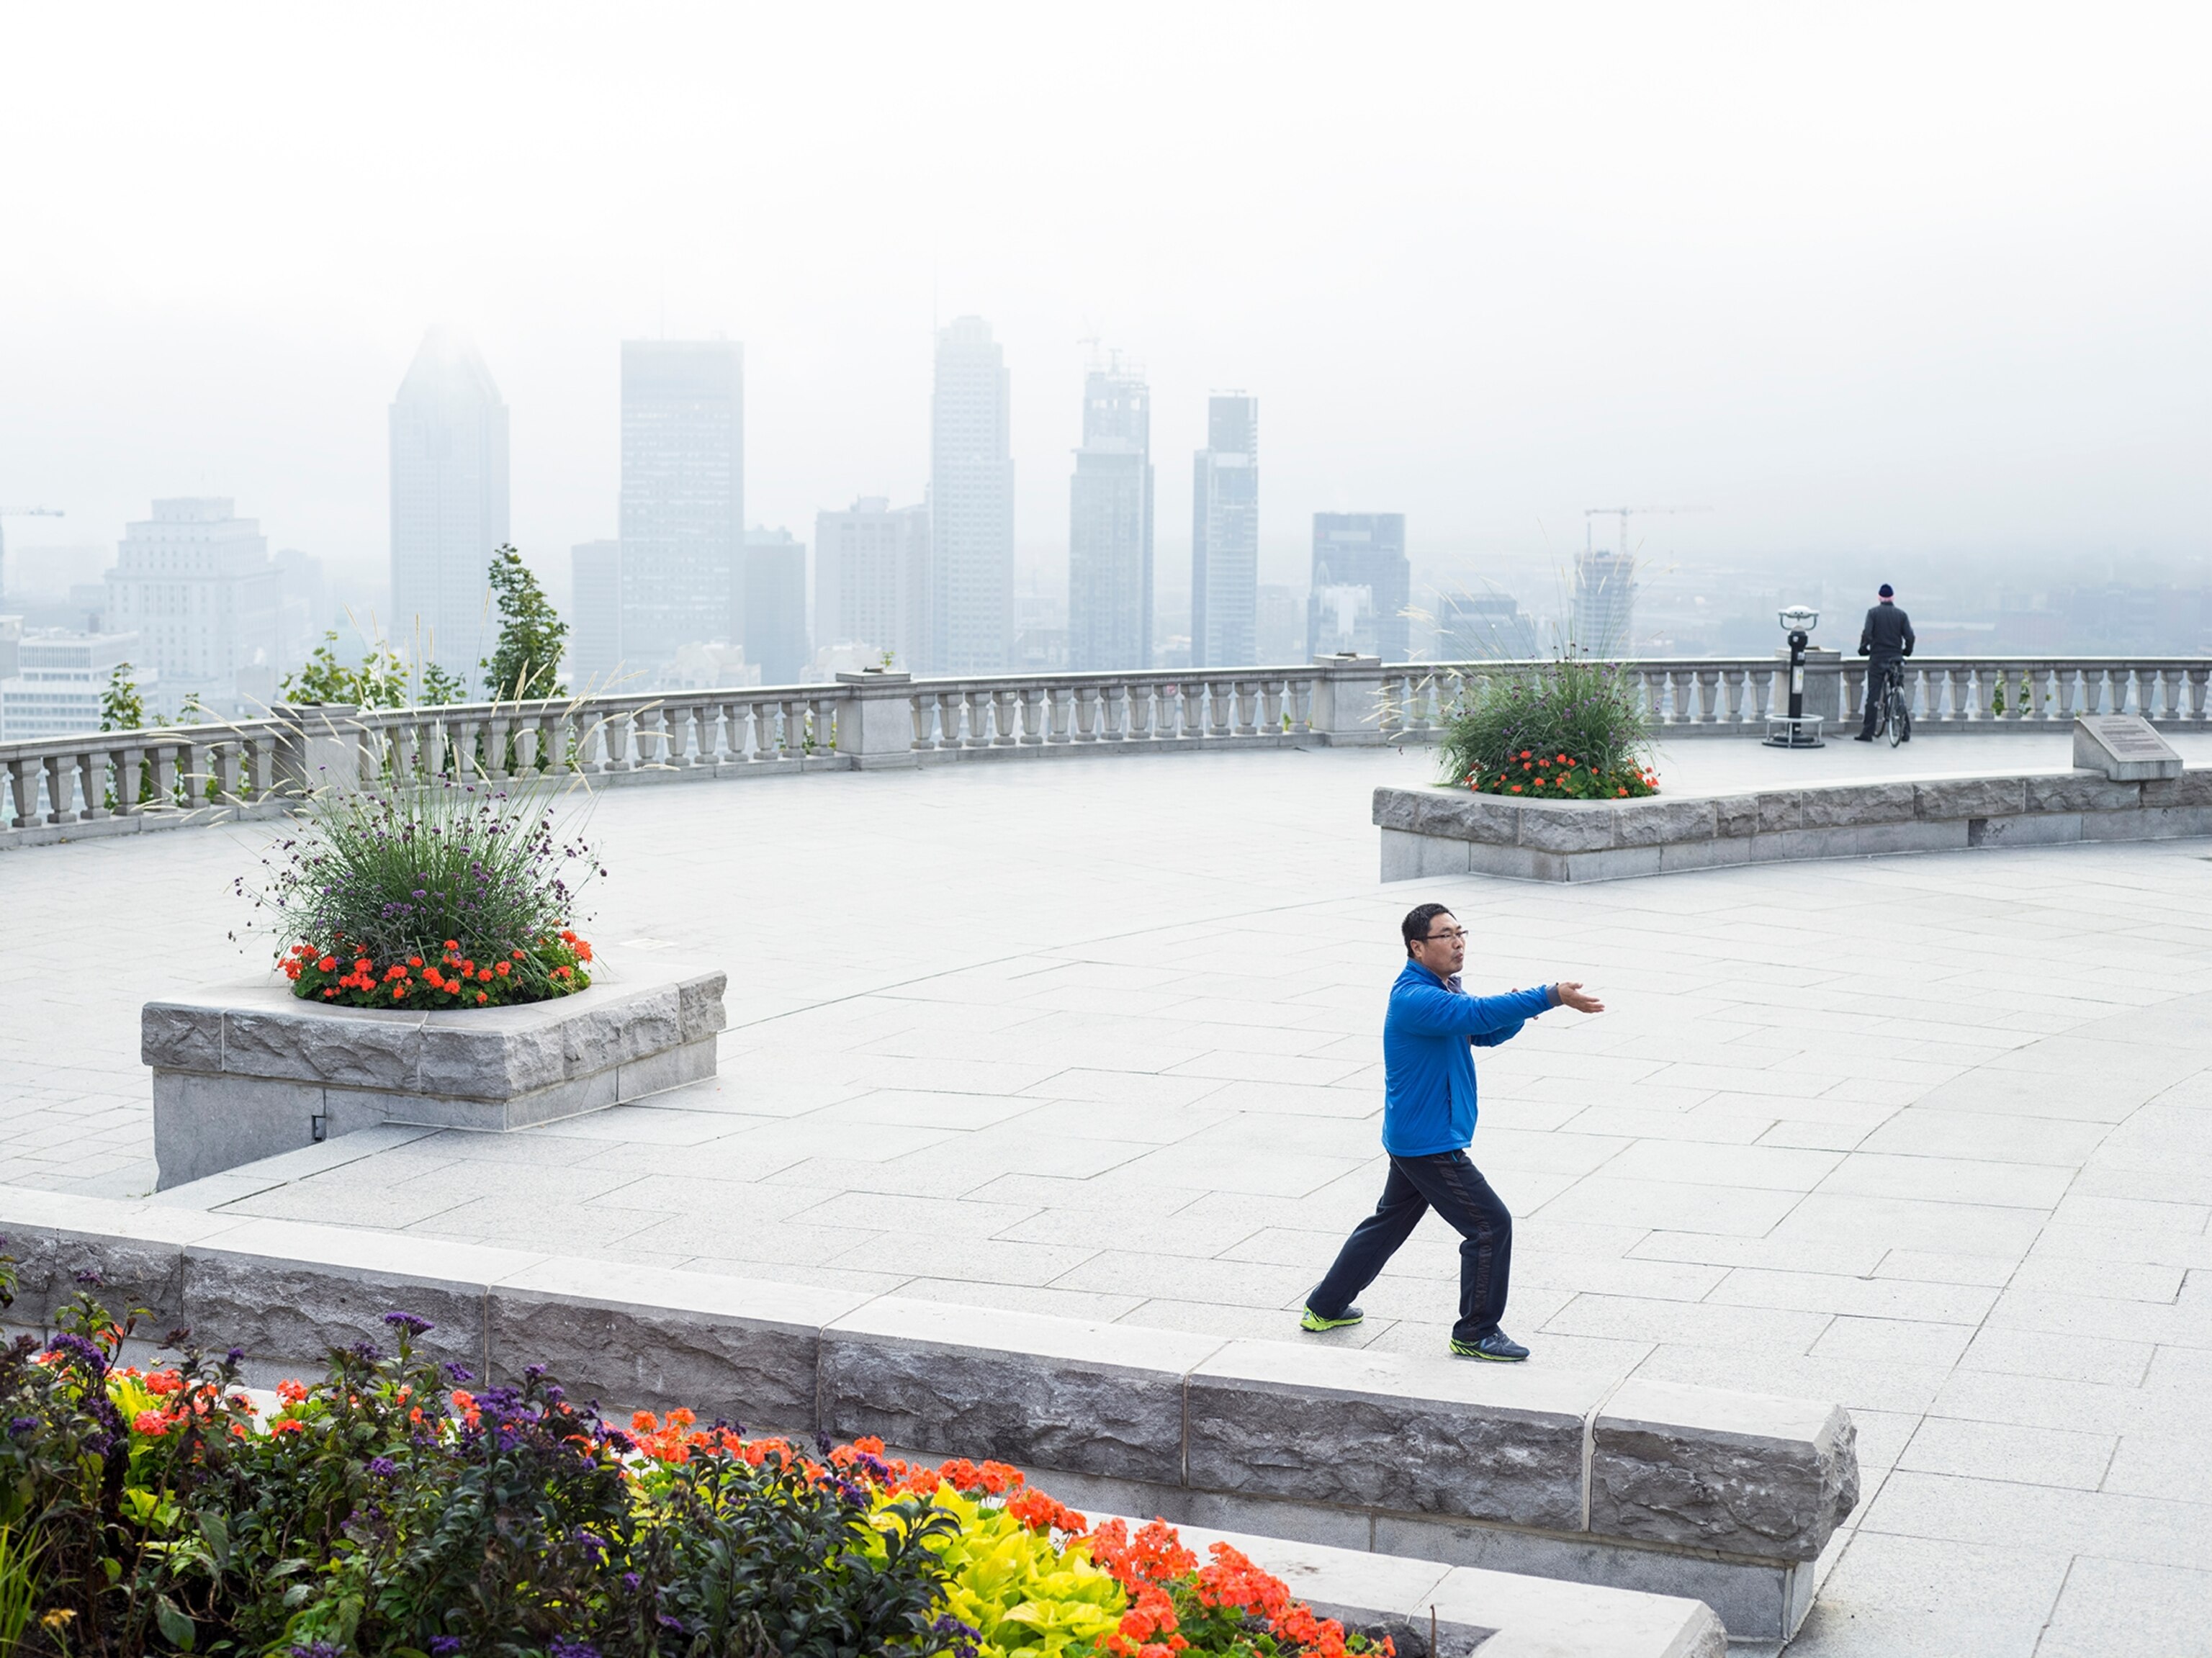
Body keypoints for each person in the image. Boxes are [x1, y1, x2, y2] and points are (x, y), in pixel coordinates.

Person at [1300, 903, 1604, 1361]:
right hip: (1429, 1141)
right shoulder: (1414, 997)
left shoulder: (1439, 989)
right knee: (1489, 1225)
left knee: (1388, 1224)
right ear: (1417, 947)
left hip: (1416, 1134)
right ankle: (1476, 1332)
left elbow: (1481, 1032)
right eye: (1446, 935)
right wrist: (1549, 995)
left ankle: (1325, 1306)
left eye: (1461, 932)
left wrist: (1519, 1011)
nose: (1459, 942)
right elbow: (1476, 1017)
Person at [1854, 583, 1916, 741]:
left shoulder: (1873, 613)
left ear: (1879, 598)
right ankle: (1905, 731)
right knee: (1899, 691)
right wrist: (1907, 651)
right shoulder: (1901, 615)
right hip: (1896, 659)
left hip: (1878, 659)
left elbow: (1867, 634)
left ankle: (1867, 732)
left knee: (1873, 696)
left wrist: (1863, 649)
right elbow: (1910, 636)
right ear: (1893, 598)